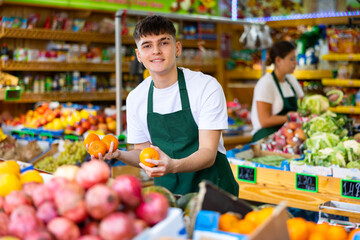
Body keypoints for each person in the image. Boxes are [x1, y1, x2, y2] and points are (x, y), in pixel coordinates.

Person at [95, 15, 239, 196]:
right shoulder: (136, 98)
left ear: (177, 48)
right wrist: (118, 154)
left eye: (164, 43)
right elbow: (142, 152)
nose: (156, 51)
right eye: (147, 45)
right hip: (167, 194)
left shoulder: (206, 86)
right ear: (139, 55)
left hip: (214, 190)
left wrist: (173, 165)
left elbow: (208, 153)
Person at [250, 41, 304, 142]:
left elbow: (303, 104)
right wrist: (289, 117)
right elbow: (264, 121)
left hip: (288, 137)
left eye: (295, 58)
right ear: (278, 60)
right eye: (292, 59)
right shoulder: (266, 83)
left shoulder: (291, 80)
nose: (295, 63)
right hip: (265, 138)